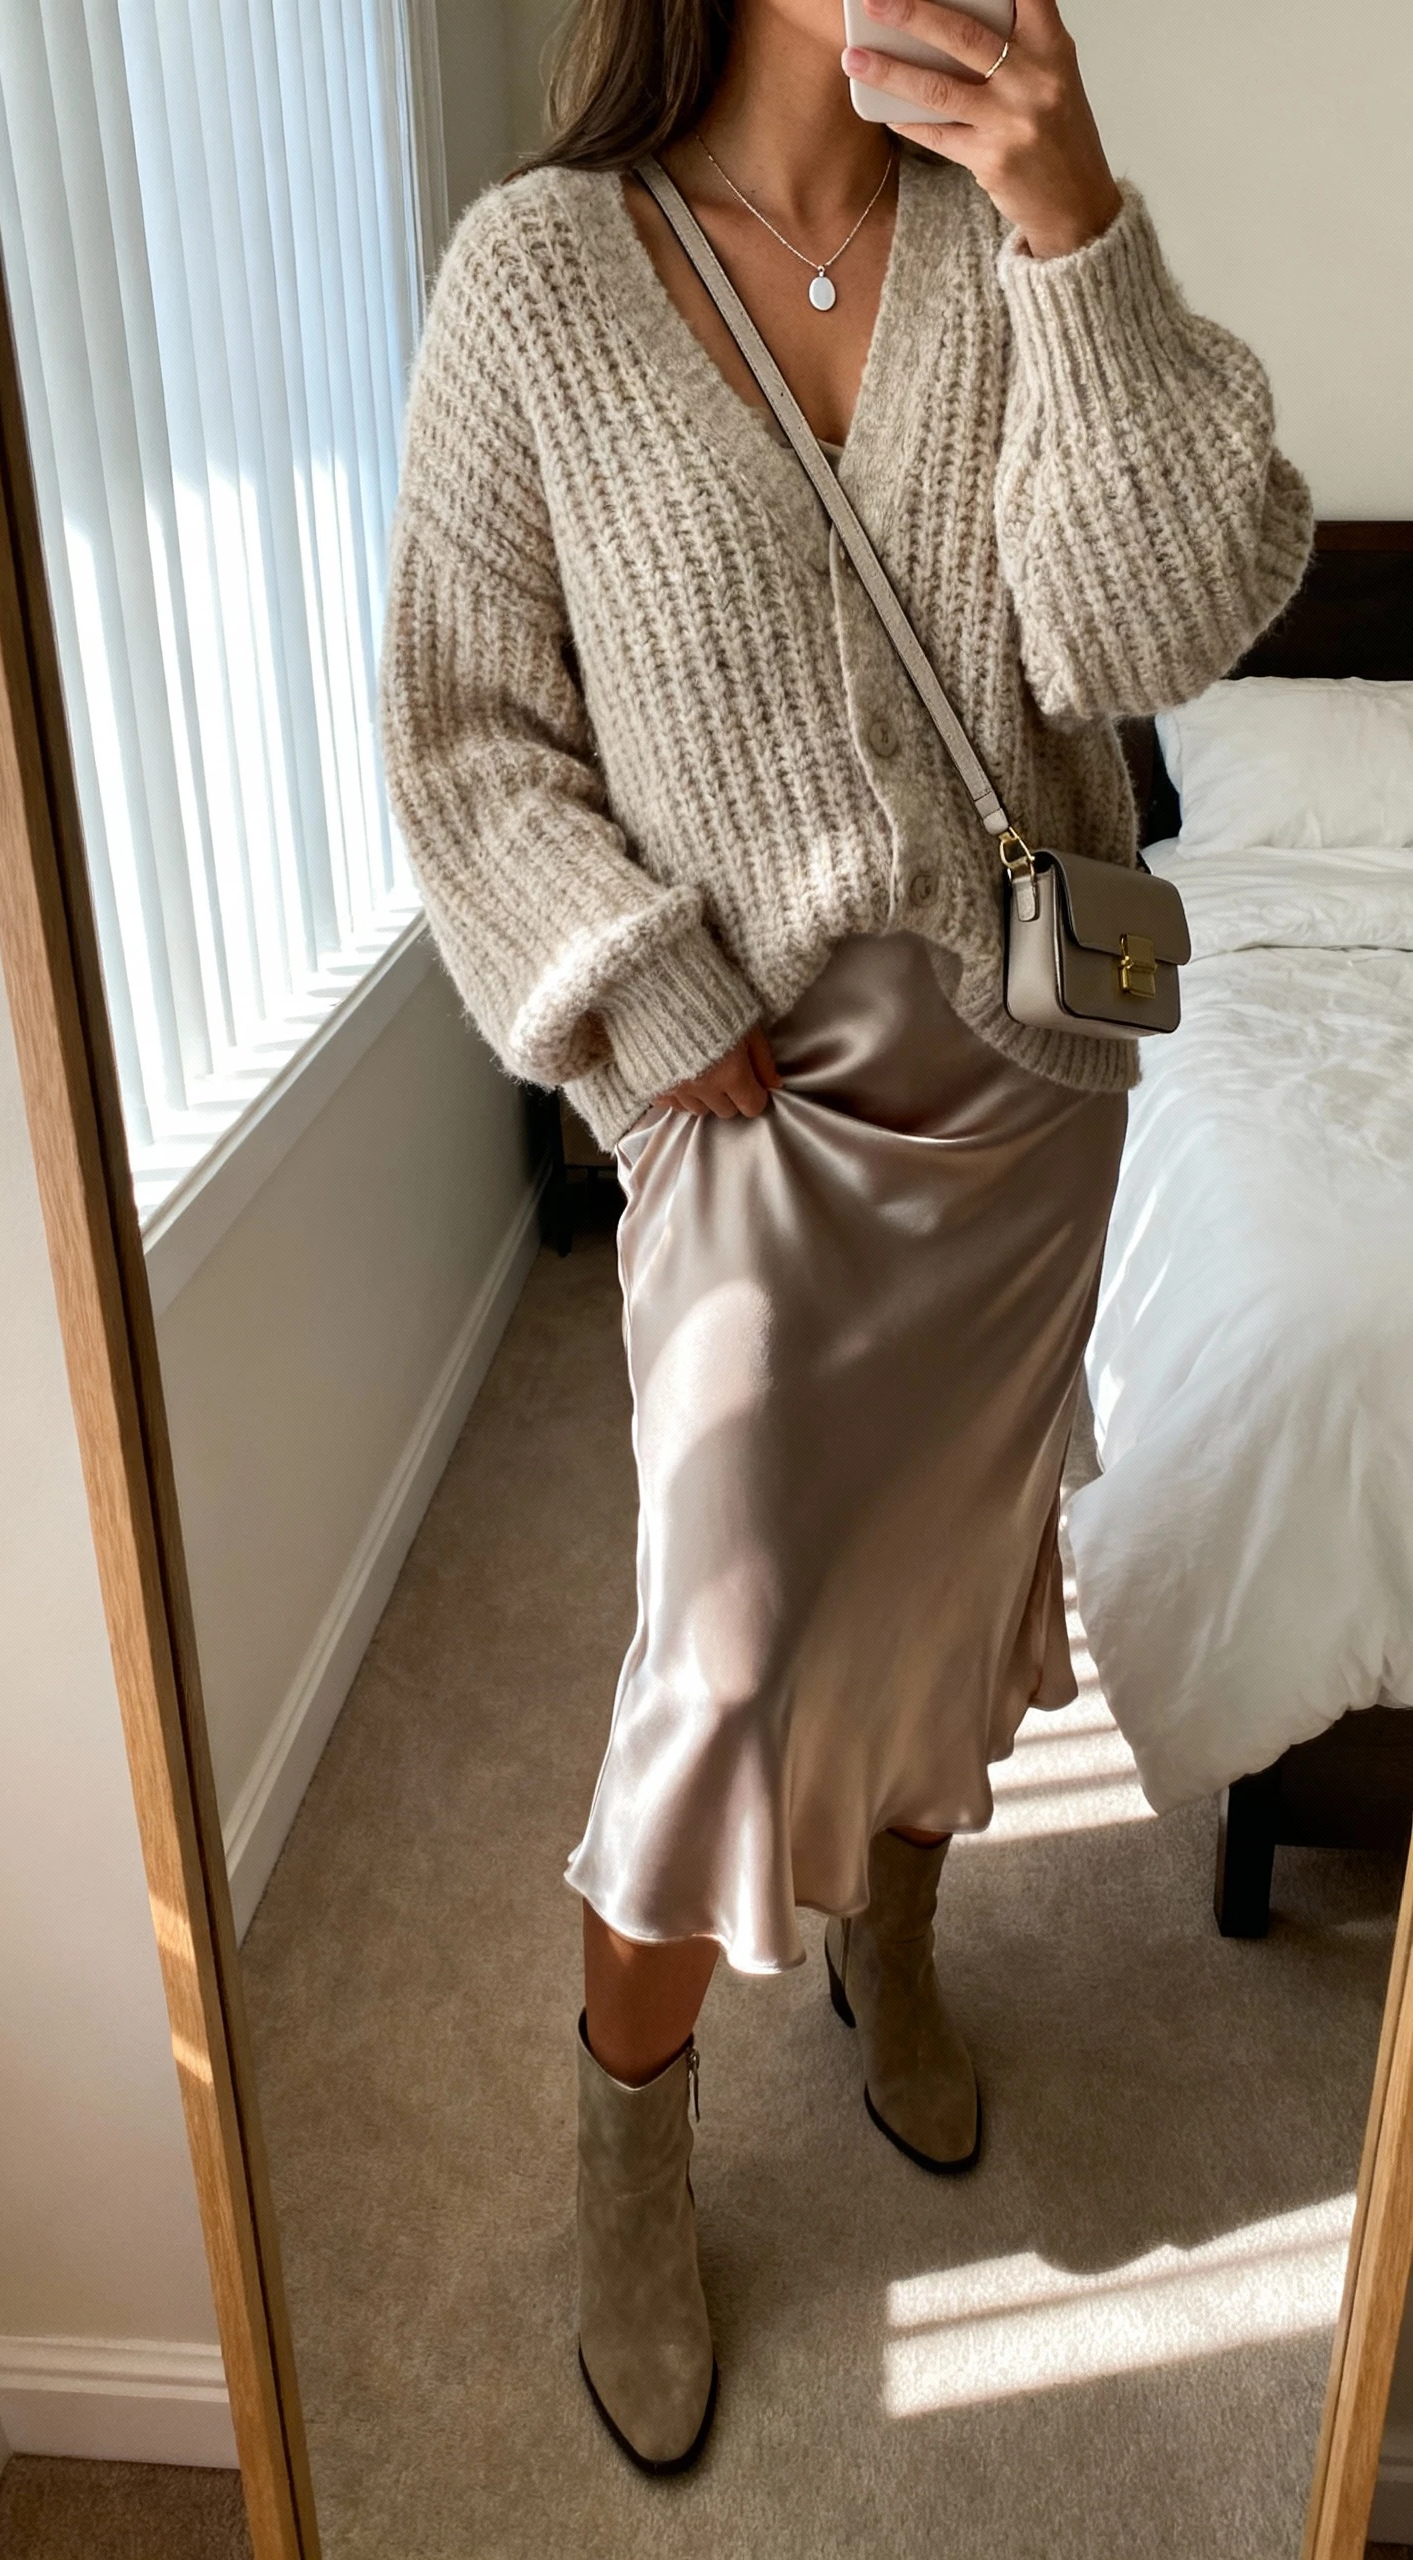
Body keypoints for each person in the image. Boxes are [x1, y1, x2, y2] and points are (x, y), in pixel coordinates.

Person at [380, 0, 1311, 2475]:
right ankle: (628, 2128)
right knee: (731, 1639)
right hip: (755, 1098)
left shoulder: (1025, 248)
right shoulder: (536, 279)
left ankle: (900, 1938)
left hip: (1029, 1096)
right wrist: (628, 987)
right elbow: (466, 727)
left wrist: (1075, 228)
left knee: (949, 1566)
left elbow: (1161, 632)